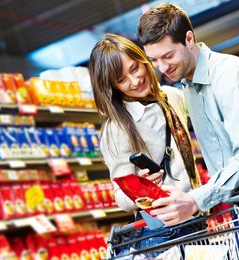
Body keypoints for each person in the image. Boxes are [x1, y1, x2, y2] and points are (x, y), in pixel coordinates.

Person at [137, 3, 239, 259]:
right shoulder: (189, 86)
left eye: (168, 56)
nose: (162, 68)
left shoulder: (231, 76)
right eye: (154, 60)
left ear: (189, 39)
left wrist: (195, 200)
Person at [88, 33, 202, 257]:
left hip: (196, 215)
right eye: (121, 80)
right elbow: (120, 195)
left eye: (134, 68)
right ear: (112, 87)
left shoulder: (173, 96)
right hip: (162, 231)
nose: (134, 81)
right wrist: (139, 188)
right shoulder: (117, 128)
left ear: (143, 59)